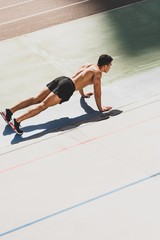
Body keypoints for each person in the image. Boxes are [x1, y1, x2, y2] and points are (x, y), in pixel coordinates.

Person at [0, 54, 113, 135]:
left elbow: (80, 79)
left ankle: (8, 112)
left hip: (62, 79)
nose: (110, 68)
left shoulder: (89, 65)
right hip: (67, 87)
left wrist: (82, 94)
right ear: (105, 65)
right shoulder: (98, 73)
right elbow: (98, 93)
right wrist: (100, 108)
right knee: (43, 105)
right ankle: (17, 121)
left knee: (37, 99)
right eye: (110, 65)